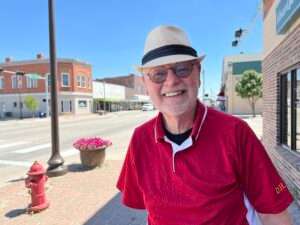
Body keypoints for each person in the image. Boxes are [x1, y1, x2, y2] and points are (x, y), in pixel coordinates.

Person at [116, 25, 294, 225]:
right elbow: (147, 209)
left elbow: (273, 213)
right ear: (145, 84)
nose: (172, 81)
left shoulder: (235, 133)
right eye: (158, 74)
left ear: (198, 74)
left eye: (182, 68)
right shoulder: (140, 139)